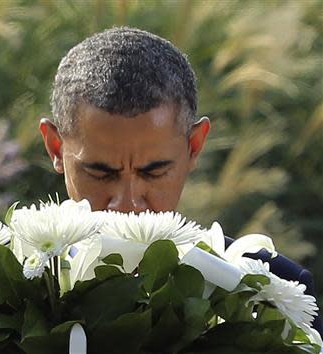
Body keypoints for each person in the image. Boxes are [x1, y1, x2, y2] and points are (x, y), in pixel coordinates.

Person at [39, 26, 322, 335]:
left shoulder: (272, 293)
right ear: (55, 147)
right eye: (101, 173)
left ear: (194, 146)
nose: (128, 204)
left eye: (153, 171)